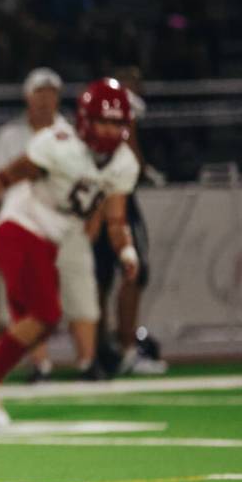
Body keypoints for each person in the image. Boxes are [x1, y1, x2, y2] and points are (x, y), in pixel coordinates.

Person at [0, 78, 141, 426]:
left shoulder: (124, 163)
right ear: (85, 120)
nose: (110, 131)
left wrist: (127, 253)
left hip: (51, 238)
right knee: (45, 315)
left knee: (36, 324)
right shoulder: (59, 145)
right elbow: (0, 180)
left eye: (116, 123)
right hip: (19, 226)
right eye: (103, 122)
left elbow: (116, 217)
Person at [0, 68, 102, 386]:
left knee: (80, 291)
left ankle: (88, 361)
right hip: (24, 225)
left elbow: (96, 185)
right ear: (27, 97)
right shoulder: (9, 137)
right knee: (30, 300)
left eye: (51, 92)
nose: (45, 99)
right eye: (39, 92)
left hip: (66, 225)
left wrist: (94, 221)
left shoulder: (74, 135)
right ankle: (40, 365)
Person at [92, 68, 167, 376]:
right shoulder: (124, 105)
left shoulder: (94, 107)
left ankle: (101, 352)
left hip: (91, 199)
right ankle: (123, 349)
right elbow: (131, 155)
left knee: (100, 277)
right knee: (131, 272)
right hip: (114, 198)